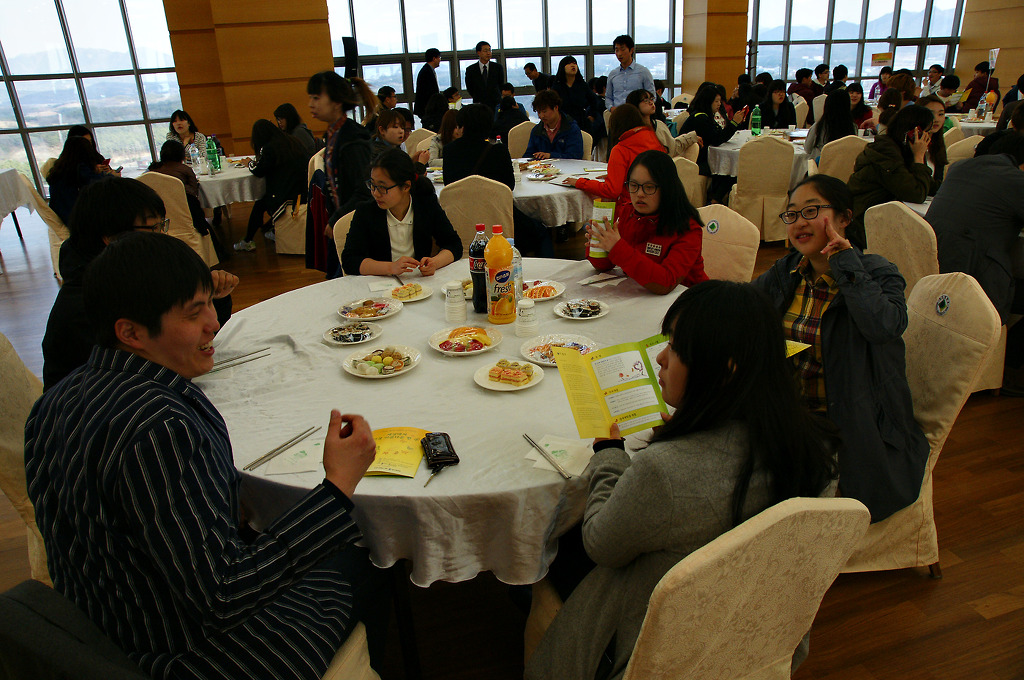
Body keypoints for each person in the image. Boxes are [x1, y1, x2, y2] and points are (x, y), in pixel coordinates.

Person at [28, 230, 387, 680]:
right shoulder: (160, 428)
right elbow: (224, 595)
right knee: (367, 552)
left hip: (99, 628)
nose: (213, 323)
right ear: (131, 332)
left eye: (208, 305)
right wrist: (337, 486)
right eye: (192, 312)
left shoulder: (55, 400)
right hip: (186, 653)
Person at [525, 279, 840, 680]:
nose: (660, 358)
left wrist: (609, 456)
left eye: (674, 347)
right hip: (755, 632)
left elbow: (600, 544)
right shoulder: (819, 449)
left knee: (545, 549)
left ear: (725, 370)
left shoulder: (664, 471)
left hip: (659, 646)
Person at [752, 174, 929, 521]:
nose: (799, 222)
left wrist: (845, 262)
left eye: (811, 211)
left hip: (850, 428)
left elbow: (883, 326)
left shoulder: (878, 273)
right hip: (791, 414)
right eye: (792, 214)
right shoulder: (788, 270)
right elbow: (744, 308)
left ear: (845, 218)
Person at [41, 177, 238, 390]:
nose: (162, 236)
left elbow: (194, 339)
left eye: (162, 225)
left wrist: (208, 298)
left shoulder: (129, 274)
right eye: (153, 228)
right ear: (111, 238)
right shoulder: (93, 305)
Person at [926, 133, 1024, 388]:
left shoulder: (959, 168)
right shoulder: (1014, 179)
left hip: (933, 271)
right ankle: (1009, 367)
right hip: (975, 279)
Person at [585, 150, 708, 294]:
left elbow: (666, 283)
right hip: (642, 294)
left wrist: (617, 248)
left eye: (649, 187)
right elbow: (604, 266)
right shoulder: (627, 212)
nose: (639, 194)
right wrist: (599, 244)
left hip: (688, 298)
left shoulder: (687, 228)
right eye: (633, 185)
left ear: (667, 188)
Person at [443, 103, 552, 256]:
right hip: (498, 221)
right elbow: (509, 186)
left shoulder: (449, 151)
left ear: (463, 126)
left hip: (461, 220)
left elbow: (449, 184)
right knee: (542, 232)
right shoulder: (498, 151)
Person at [341, 148, 462, 276]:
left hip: (418, 281)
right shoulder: (366, 212)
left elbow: (454, 244)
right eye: (372, 185)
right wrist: (390, 267)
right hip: (380, 282)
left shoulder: (426, 204)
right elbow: (350, 261)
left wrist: (435, 263)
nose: (375, 193)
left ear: (406, 186)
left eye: (382, 187)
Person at [305, 71, 376, 277]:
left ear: (336, 102)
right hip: (344, 219)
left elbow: (364, 191)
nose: (311, 104)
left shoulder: (353, 140)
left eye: (316, 98)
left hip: (357, 224)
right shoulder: (334, 133)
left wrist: (336, 219)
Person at [846, 105, 936, 248]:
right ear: (914, 133)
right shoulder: (886, 153)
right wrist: (919, 157)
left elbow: (929, 187)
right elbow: (916, 194)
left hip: (883, 217)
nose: (929, 138)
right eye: (927, 132)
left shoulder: (899, 148)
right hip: (864, 225)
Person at [234, 119, 310, 252]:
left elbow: (259, 171)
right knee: (263, 202)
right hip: (302, 190)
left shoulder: (270, 148)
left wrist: (249, 163)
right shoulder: (291, 141)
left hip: (288, 196)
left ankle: (248, 240)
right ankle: (272, 230)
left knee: (260, 204)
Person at [571, 103, 664, 206]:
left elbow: (612, 190)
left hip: (632, 205)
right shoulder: (653, 138)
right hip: (659, 202)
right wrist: (619, 174)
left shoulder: (621, 149)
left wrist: (580, 182)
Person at [679, 83, 746, 202]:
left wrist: (734, 123)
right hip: (695, 161)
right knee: (730, 170)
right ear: (708, 102)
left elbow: (719, 133)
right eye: (716, 101)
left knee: (728, 167)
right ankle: (715, 199)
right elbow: (717, 139)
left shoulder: (706, 116)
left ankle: (716, 198)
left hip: (703, 157)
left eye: (720, 101)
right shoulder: (700, 118)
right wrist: (734, 123)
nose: (719, 104)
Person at [46, 135, 117, 225]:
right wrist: (112, 175)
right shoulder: (80, 168)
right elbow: (99, 183)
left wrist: (95, 171)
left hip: (63, 214)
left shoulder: (60, 168)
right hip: (77, 219)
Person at [526, 90, 583, 159]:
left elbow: (575, 156)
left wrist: (550, 156)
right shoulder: (537, 131)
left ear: (556, 108)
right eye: (538, 112)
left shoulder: (571, 129)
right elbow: (528, 156)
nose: (541, 116)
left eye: (544, 111)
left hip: (566, 166)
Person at [552, 55, 600, 136]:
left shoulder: (582, 85)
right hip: (563, 123)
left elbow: (594, 100)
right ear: (562, 67)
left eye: (574, 63)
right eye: (569, 63)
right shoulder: (557, 86)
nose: (573, 65)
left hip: (581, 122)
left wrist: (592, 116)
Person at [606, 34, 654, 110]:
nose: (619, 54)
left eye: (622, 49)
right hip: (618, 113)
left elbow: (652, 96)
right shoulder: (613, 74)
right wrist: (611, 108)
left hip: (637, 113)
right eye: (617, 50)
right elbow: (608, 97)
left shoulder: (643, 72)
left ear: (631, 50)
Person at [625, 88, 675, 153]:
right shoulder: (631, 130)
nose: (651, 103)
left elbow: (673, 147)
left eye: (651, 99)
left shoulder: (659, 125)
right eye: (646, 100)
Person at [918, 94, 949, 185]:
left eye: (941, 114)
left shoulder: (937, 143)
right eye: (930, 114)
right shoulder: (911, 144)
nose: (936, 119)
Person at [465, 40, 504, 109]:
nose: (488, 53)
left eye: (489, 50)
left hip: (495, 103)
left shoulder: (497, 67)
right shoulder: (471, 70)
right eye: (485, 51)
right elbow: (470, 88)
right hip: (479, 104)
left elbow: (501, 85)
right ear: (479, 53)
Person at [414, 48, 442, 120]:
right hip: (427, 108)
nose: (440, 60)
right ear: (434, 58)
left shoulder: (428, 70)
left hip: (428, 108)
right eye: (439, 57)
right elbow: (428, 92)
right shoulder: (426, 72)